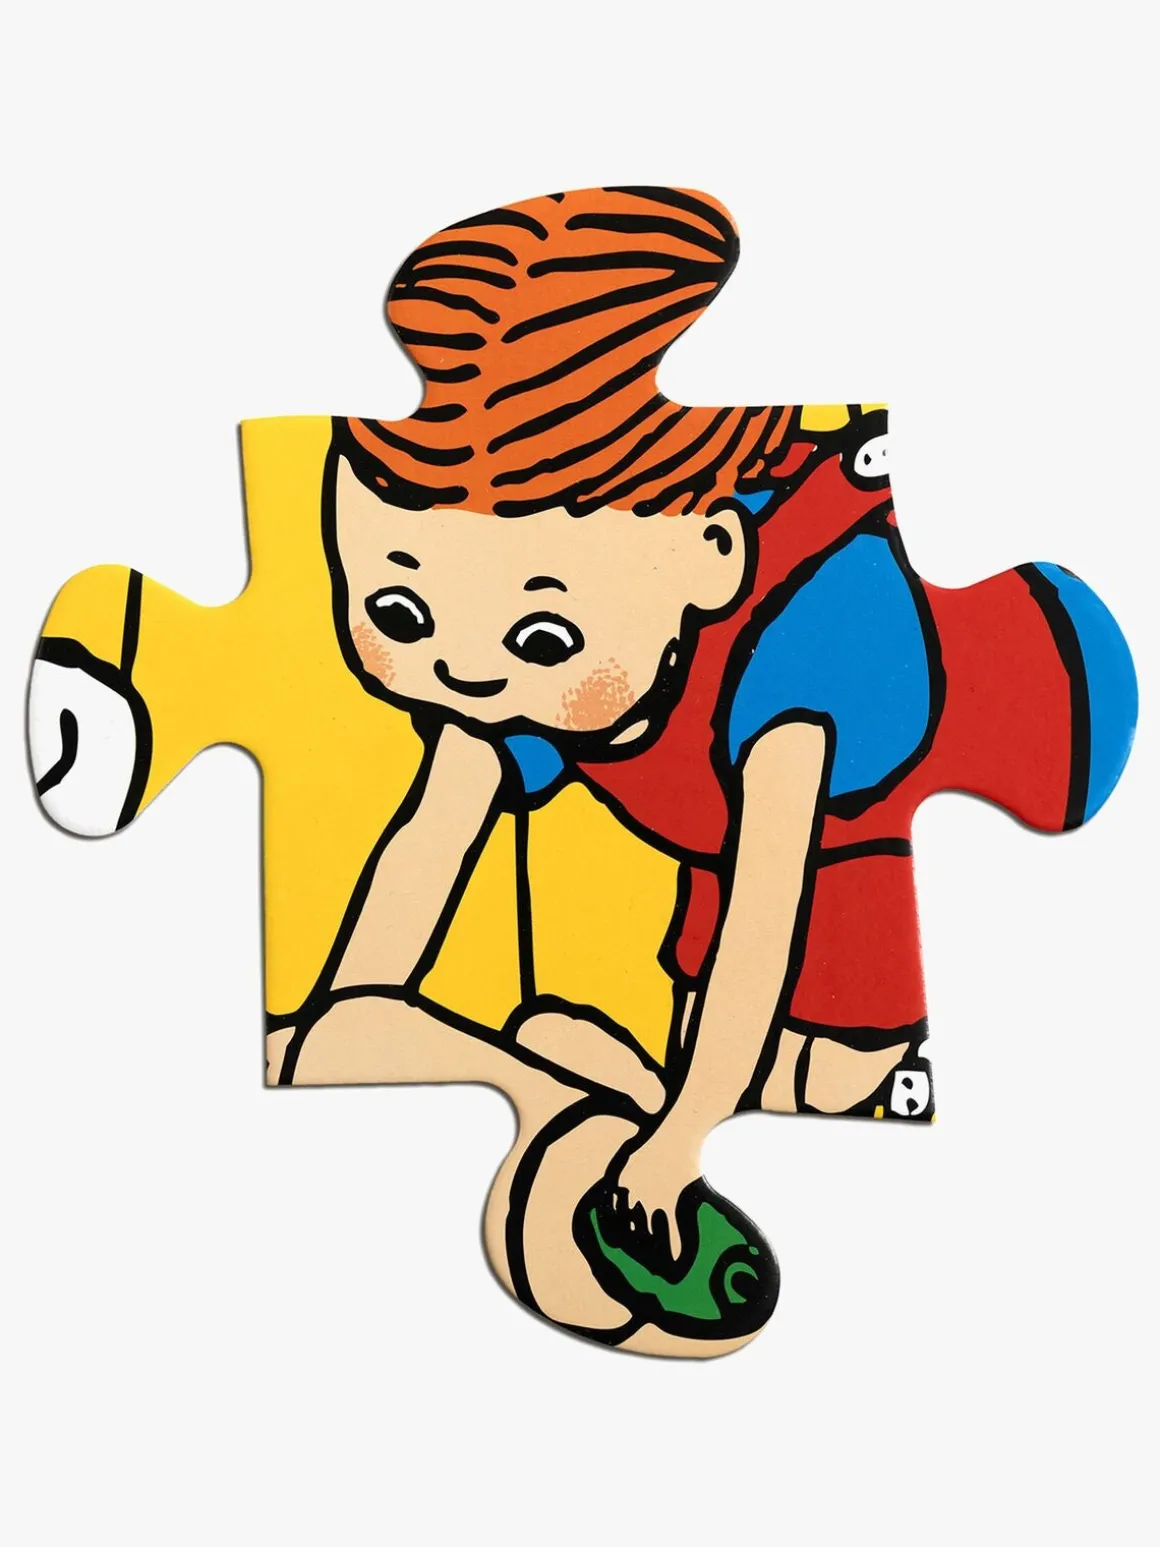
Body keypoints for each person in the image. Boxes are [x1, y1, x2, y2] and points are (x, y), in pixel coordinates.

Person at [271, 185, 1135, 1344]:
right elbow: (431, 833)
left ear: (711, 555)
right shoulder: (520, 658)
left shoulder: (805, 638)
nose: (465, 670)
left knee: (812, 1067)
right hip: (709, 843)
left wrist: (680, 1137)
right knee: (600, 1035)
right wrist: (334, 1015)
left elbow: (764, 913)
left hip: (893, 816)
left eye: (537, 634)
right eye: (396, 610)